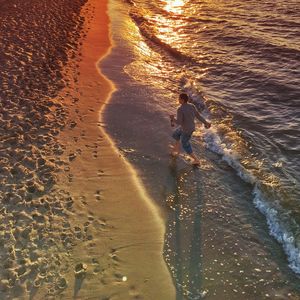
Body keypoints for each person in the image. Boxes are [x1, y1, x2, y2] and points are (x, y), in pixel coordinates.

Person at [170, 93, 211, 165]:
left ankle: (196, 160)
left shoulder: (180, 109)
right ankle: (176, 151)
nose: (178, 99)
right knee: (176, 134)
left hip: (186, 130)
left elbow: (179, 122)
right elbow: (198, 116)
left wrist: (173, 119)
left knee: (185, 144)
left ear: (182, 100)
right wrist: (205, 122)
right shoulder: (192, 106)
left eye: (179, 98)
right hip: (189, 127)